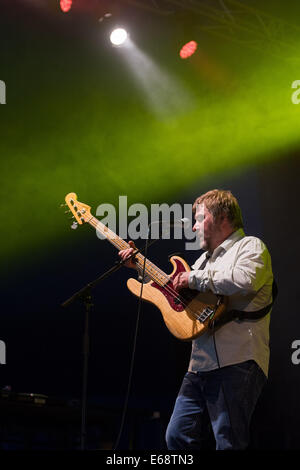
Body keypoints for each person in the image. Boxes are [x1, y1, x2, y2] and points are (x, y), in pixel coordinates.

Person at [119, 189, 274, 450]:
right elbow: (172, 292)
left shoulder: (250, 246)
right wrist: (138, 267)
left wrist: (193, 278)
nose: (193, 226)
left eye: (200, 218)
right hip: (199, 366)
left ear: (222, 218)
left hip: (238, 359)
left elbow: (245, 281)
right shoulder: (203, 260)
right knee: (177, 437)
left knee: (229, 442)